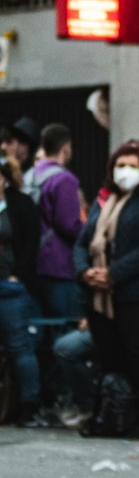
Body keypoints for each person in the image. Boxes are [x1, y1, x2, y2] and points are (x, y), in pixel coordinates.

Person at [74, 142, 139, 438]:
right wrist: (85, 271)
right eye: (120, 165)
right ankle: (115, 414)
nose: (124, 171)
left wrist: (113, 274)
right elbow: (82, 243)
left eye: (131, 165)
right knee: (109, 357)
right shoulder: (102, 202)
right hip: (100, 296)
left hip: (137, 295)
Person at [0, 155, 43, 425]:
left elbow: (31, 242)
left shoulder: (20, 204)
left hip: (10, 286)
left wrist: (18, 275)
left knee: (19, 347)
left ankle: (29, 404)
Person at [34, 122, 84, 319]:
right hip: (59, 265)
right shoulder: (64, 179)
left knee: (39, 329)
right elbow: (68, 223)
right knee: (66, 326)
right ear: (66, 148)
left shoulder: (30, 176)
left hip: (33, 264)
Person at [1, 116, 41, 199]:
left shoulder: (36, 177)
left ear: (25, 146)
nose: (3, 147)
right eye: (3, 142)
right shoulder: (3, 170)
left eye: (9, 142)